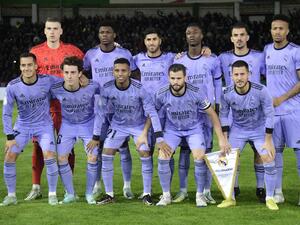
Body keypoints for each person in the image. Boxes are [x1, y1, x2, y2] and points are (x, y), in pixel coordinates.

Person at [94, 58, 170, 205]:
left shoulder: (139, 88)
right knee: (106, 152)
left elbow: (152, 113)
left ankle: (147, 193)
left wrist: (159, 138)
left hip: (138, 126)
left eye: (123, 70)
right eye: (117, 70)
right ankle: (109, 194)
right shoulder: (107, 88)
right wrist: (96, 135)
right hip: (118, 126)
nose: (120, 73)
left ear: (129, 72)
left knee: (144, 152)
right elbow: (101, 113)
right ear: (113, 72)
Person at [154, 63, 230, 207]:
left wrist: (221, 138)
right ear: (168, 78)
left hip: (194, 129)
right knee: (163, 157)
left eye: (178, 78)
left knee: (199, 157)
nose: (175, 82)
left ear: (185, 78)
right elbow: (152, 114)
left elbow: (213, 114)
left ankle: (200, 195)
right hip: (172, 130)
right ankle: (165, 196)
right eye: (172, 78)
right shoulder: (161, 93)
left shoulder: (196, 92)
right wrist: (152, 134)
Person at [26, 17, 84, 201]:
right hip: (42, 107)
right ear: (44, 31)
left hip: (67, 107)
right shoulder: (35, 52)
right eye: (49, 28)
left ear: (61, 31)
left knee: (67, 146)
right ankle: (36, 187)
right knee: (38, 145)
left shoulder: (73, 51)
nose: (52, 31)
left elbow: (85, 71)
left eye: (55, 28)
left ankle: (69, 187)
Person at [83, 21, 137, 199]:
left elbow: (135, 74)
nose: (104, 34)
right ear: (98, 35)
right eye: (101, 32)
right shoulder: (91, 54)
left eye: (108, 32)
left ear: (114, 35)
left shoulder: (124, 53)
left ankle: (127, 185)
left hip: (121, 108)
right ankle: (98, 184)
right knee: (98, 146)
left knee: (123, 147)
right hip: (99, 108)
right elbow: (82, 73)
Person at [172, 22, 222, 204]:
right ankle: (183, 190)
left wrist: (217, 104)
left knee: (206, 152)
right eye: (188, 33)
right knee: (184, 152)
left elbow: (217, 83)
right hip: (185, 113)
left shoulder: (212, 59)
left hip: (206, 112)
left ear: (202, 36)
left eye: (195, 32)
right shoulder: (178, 60)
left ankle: (206, 190)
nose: (191, 35)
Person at [1, 53, 59, 206]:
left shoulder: (48, 81)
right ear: (20, 67)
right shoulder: (13, 86)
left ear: (35, 66)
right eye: (23, 65)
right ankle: (11, 196)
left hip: (44, 125)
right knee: (9, 157)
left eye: (29, 65)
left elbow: (68, 82)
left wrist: (84, 81)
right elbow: (6, 113)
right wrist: (9, 136)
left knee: (49, 155)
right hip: (22, 126)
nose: (26, 68)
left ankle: (52, 194)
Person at [219, 60, 278, 210]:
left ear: (249, 75)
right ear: (231, 76)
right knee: (227, 159)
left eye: (242, 74)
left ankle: (270, 198)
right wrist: (224, 139)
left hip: (259, 130)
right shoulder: (226, 92)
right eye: (236, 74)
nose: (239, 78)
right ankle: (230, 198)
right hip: (238, 130)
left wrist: (268, 140)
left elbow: (270, 114)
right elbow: (224, 115)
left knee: (268, 157)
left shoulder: (261, 90)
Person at [218, 22, 266, 202]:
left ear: (247, 37)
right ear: (231, 38)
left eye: (242, 35)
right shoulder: (222, 58)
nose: (238, 38)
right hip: (232, 113)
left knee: (259, 152)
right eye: (235, 35)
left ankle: (261, 188)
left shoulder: (259, 57)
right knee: (232, 154)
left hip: (255, 113)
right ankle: (234, 187)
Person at [50, 56, 99, 204]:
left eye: (73, 72)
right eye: (66, 72)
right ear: (62, 73)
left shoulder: (93, 86)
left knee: (93, 157)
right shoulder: (55, 88)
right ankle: (70, 194)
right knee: (61, 158)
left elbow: (100, 111)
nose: (69, 76)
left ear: (80, 73)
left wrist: (96, 135)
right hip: (68, 126)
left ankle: (90, 193)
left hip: (88, 126)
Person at [264, 14, 300, 204]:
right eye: (274, 28)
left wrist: (282, 98)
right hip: (274, 113)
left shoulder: (296, 51)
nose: (277, 32)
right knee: (274, 153)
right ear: (270, 30)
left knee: (299, 153)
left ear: (287, 31)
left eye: (281, 28)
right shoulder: (267, 50)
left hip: (295, 111)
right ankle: (277, 192)